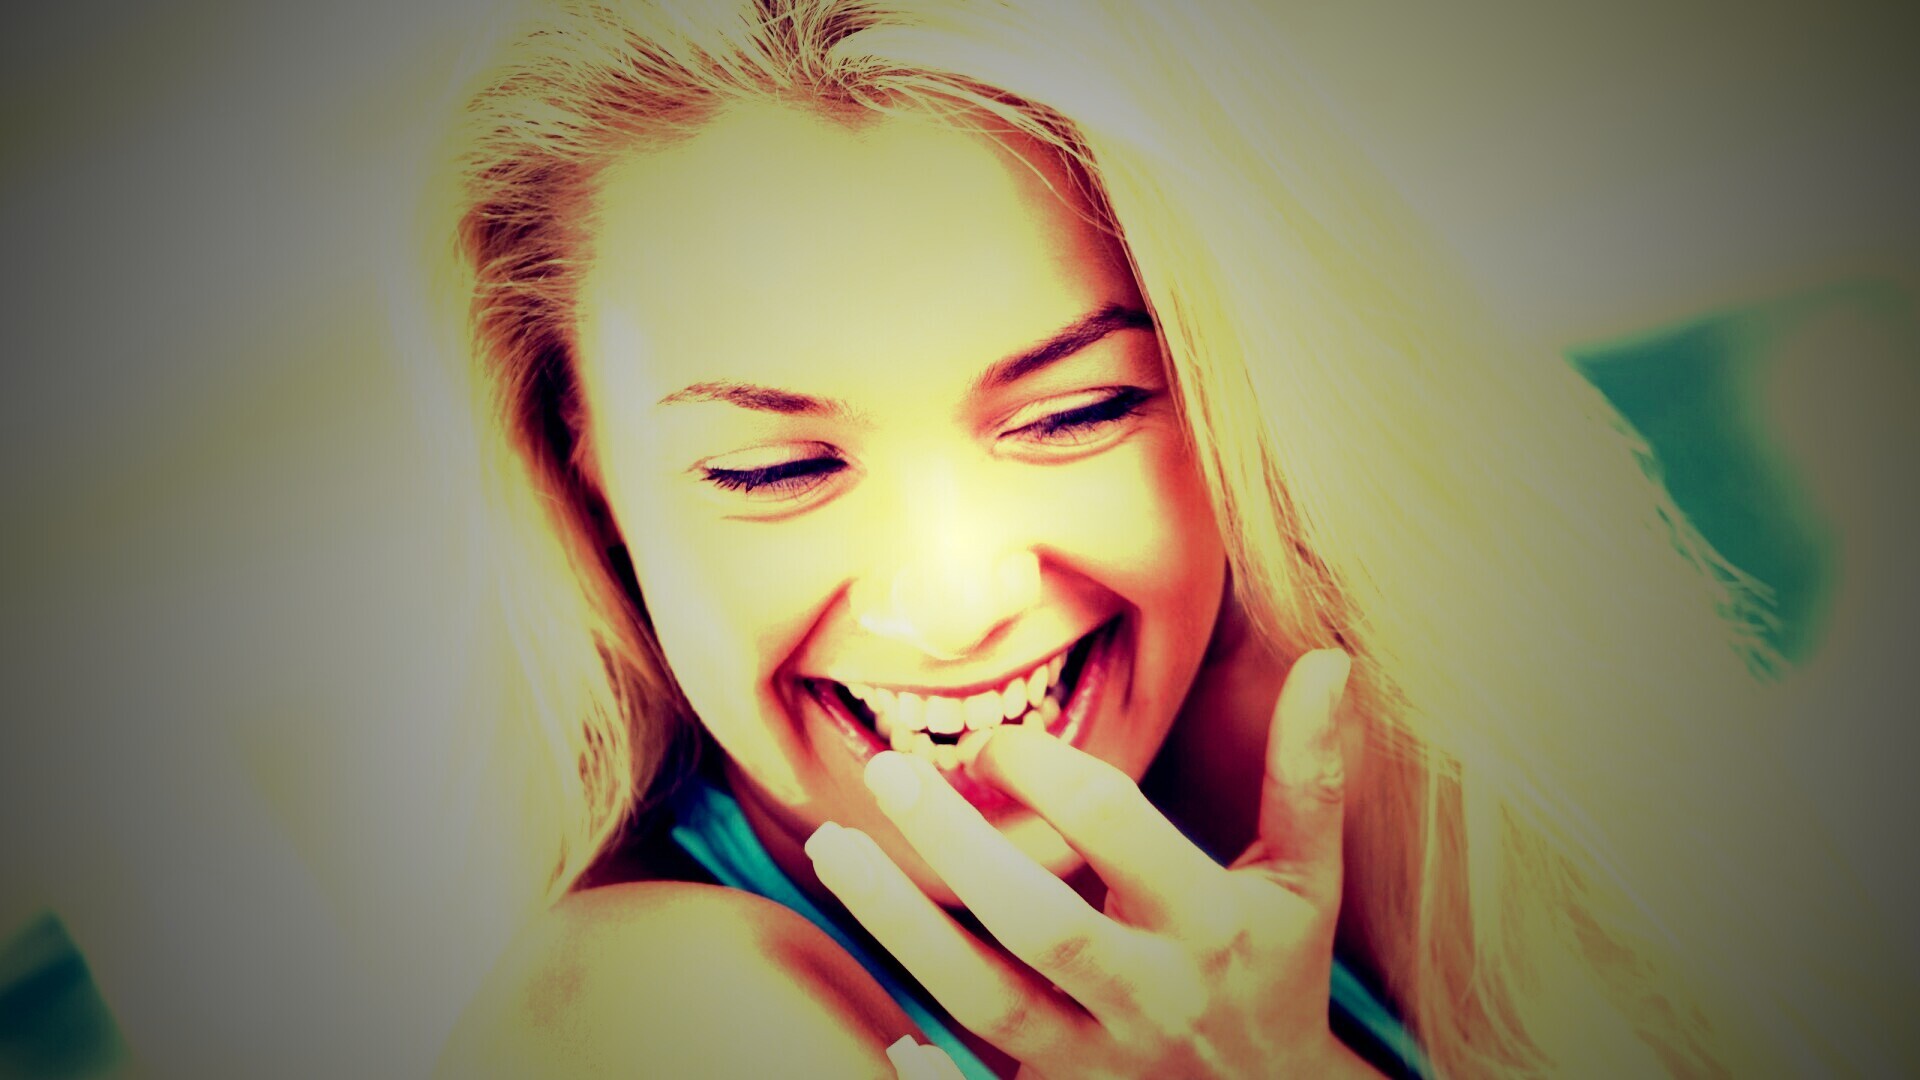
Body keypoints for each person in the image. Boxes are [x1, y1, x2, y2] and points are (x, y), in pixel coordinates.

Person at [419, 0, 1911, 1075]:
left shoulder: (1382, 740)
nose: (954, 600)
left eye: (1078, 412)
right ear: (583, 465)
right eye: (777, 467)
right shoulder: (642, 1016)